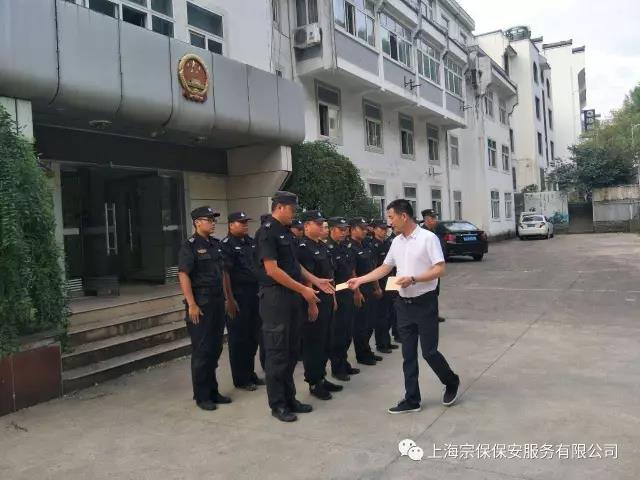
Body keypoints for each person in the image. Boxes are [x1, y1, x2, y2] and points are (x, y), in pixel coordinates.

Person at [348, 199, 460, 414]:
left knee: (429, 352)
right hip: (403, 305)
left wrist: (414, 279)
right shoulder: (396, 242)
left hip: (425, 303)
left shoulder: (428, 238)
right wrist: (360, 280)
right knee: (408, 354)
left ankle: (451, 381)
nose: (390, 223)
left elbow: (440, 269)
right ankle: (412, 399)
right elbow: (385, 267)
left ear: (404, 216)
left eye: (391, 217)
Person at [255, 191, 335, 422]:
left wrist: (316, 280)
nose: (294, 214)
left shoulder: (286, 232)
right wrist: (303, 290)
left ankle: (290, 399)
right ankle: (278, 404)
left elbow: (295, 265)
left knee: (291, 352)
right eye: (291, 209)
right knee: (277, 354)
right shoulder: (266, 232)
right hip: (275, 299)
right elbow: (272, 270)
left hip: (291, 297)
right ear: (280, 207)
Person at [178, 206, 233, 411]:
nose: (212, 223)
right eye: (208, 220)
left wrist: (227, 298)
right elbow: (184, 275)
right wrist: (191, 303)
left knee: (215, 348)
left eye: (213, 220)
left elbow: (222, 273)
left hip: (217, 302)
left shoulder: (215, 245)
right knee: (202, 350)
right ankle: (202, 396)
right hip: (201, 304)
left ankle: (212, 390)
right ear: (197, 222)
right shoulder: (189, 246)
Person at [297, 210, 344, 400]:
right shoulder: (303, 247)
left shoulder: (322, 246)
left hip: (327, 299)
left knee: (326, 341)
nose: (321, 226)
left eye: (321, 223)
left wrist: (333, 298)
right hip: (314, 300)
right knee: (313, 343)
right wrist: (312, 304)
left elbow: (330, 275)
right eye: (317, 223)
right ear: (307, 226)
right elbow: (306, 279)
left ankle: (322, 378)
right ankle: (314, 382)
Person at [221, 211, 265, 392]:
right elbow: (225, 274)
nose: (245, 225)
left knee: (252, 337)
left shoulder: (250, 242)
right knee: (239, 339)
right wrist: (229, 299)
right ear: (231, 225)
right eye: (241, 222)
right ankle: (241, 378)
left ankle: (249, 372)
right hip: (238, 297)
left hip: (254, 295)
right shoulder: (226, 245)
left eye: (246, 222)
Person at [326, 217, 360, 381]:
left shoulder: (345, 247)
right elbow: (329, 276)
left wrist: (356, 291)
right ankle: (337, 368)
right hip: (337, 294)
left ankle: (344, 362)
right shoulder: (328, 248)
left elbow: (351, 270)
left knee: (347, 332)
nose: (344, 232)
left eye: (345, 229)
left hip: (347, 292)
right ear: (332, 229)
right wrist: (333, 298)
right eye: (341, 229)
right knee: (338, 334)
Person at [347, 217, 384, 366]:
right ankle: (362, 354)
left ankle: (367, 350)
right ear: (352, 229)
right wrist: (357, 292)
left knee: (370, 322)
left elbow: (372, 268)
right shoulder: (350, 247)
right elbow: (352, 271)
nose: (364, 231)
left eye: (365, 228)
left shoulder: (366, 245)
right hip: (360, 288)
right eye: (361, 228)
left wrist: (377, 286)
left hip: (370, 287)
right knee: (360, 325)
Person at [369, 219, 399, 354]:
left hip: (391, 280)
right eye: (381, 228)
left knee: (390, 312)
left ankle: (387, 341)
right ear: (374, 229)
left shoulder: (387, 243)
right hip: (380, 282)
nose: (384, 231)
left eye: (385, 228)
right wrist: (376, 287)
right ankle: (381, 343)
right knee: (381, 315)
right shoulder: (373, 245)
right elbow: (373, 268)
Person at [421, 209, 446, 323]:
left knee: (435, 291)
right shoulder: (422, 234)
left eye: (435, 218)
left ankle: (434, 314)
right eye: (433, 218)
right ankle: (427, 316)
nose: (435, 220)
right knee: (427, 292)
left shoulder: (434, 231)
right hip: (427, 269)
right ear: (426, 219)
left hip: (436, 267)